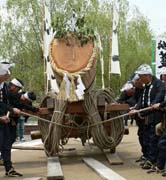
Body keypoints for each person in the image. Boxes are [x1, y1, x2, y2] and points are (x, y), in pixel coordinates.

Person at [129, 64, 165, 170]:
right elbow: (142, 100)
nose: (140, 78)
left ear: (147, 75)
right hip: (148, 115)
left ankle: (153, 159)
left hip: (156, 115)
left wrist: (141, 111)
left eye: (141, 76)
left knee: (154, 138)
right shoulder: (147, 86)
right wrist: (136, 108)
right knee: (146, 137)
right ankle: (149, 157)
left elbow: (157, 101)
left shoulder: (159, 85)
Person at [0, 62, 23, 177]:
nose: (9, 75)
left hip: (3, 120)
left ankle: (9, 169)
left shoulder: (3, 86)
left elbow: (2, 103)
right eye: (7, 73)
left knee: (6, 144)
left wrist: (9, 111)